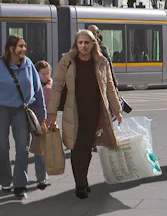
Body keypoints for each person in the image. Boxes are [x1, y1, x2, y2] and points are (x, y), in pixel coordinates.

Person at [47, 29, 122, 198]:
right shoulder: (67, 61)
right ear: (76, 44)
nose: (83, 46)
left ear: (93, 44)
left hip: (94, 111)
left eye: (86, 43)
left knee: (87, 147)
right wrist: (51, 113)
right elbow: (57, 86)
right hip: (74, 111)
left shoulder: (101, 61)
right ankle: (80, 184)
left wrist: (117, 110)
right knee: (77, 146)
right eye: (80, 43)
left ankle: (84, 179)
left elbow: (110, 87)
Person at [0, 35, 47, 200]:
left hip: (22, 110)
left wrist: (42, 113)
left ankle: (20, 185)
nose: (24, 50)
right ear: (11, 48)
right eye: (21, 46)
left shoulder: (29, 64)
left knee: (23, 147)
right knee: (2, 146)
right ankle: (5, 180)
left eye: (24, 46)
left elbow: (38, 90)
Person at [88, 24, 132, 114]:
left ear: (98, 35)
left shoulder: (102, 48)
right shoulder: (83, 47)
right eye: (89, 33)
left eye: (93, 33)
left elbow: (109, 66)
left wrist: (114, 84)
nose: (91, 36)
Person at [31, 60, 53, 189]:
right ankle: (40, 177)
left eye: (48, 73)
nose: (46, 76)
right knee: (39, 150)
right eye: (43, 74)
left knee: (44, 150)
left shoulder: (52, 85)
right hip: (35, 121)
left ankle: (42, 176)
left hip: (47, 122)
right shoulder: (33, 86)